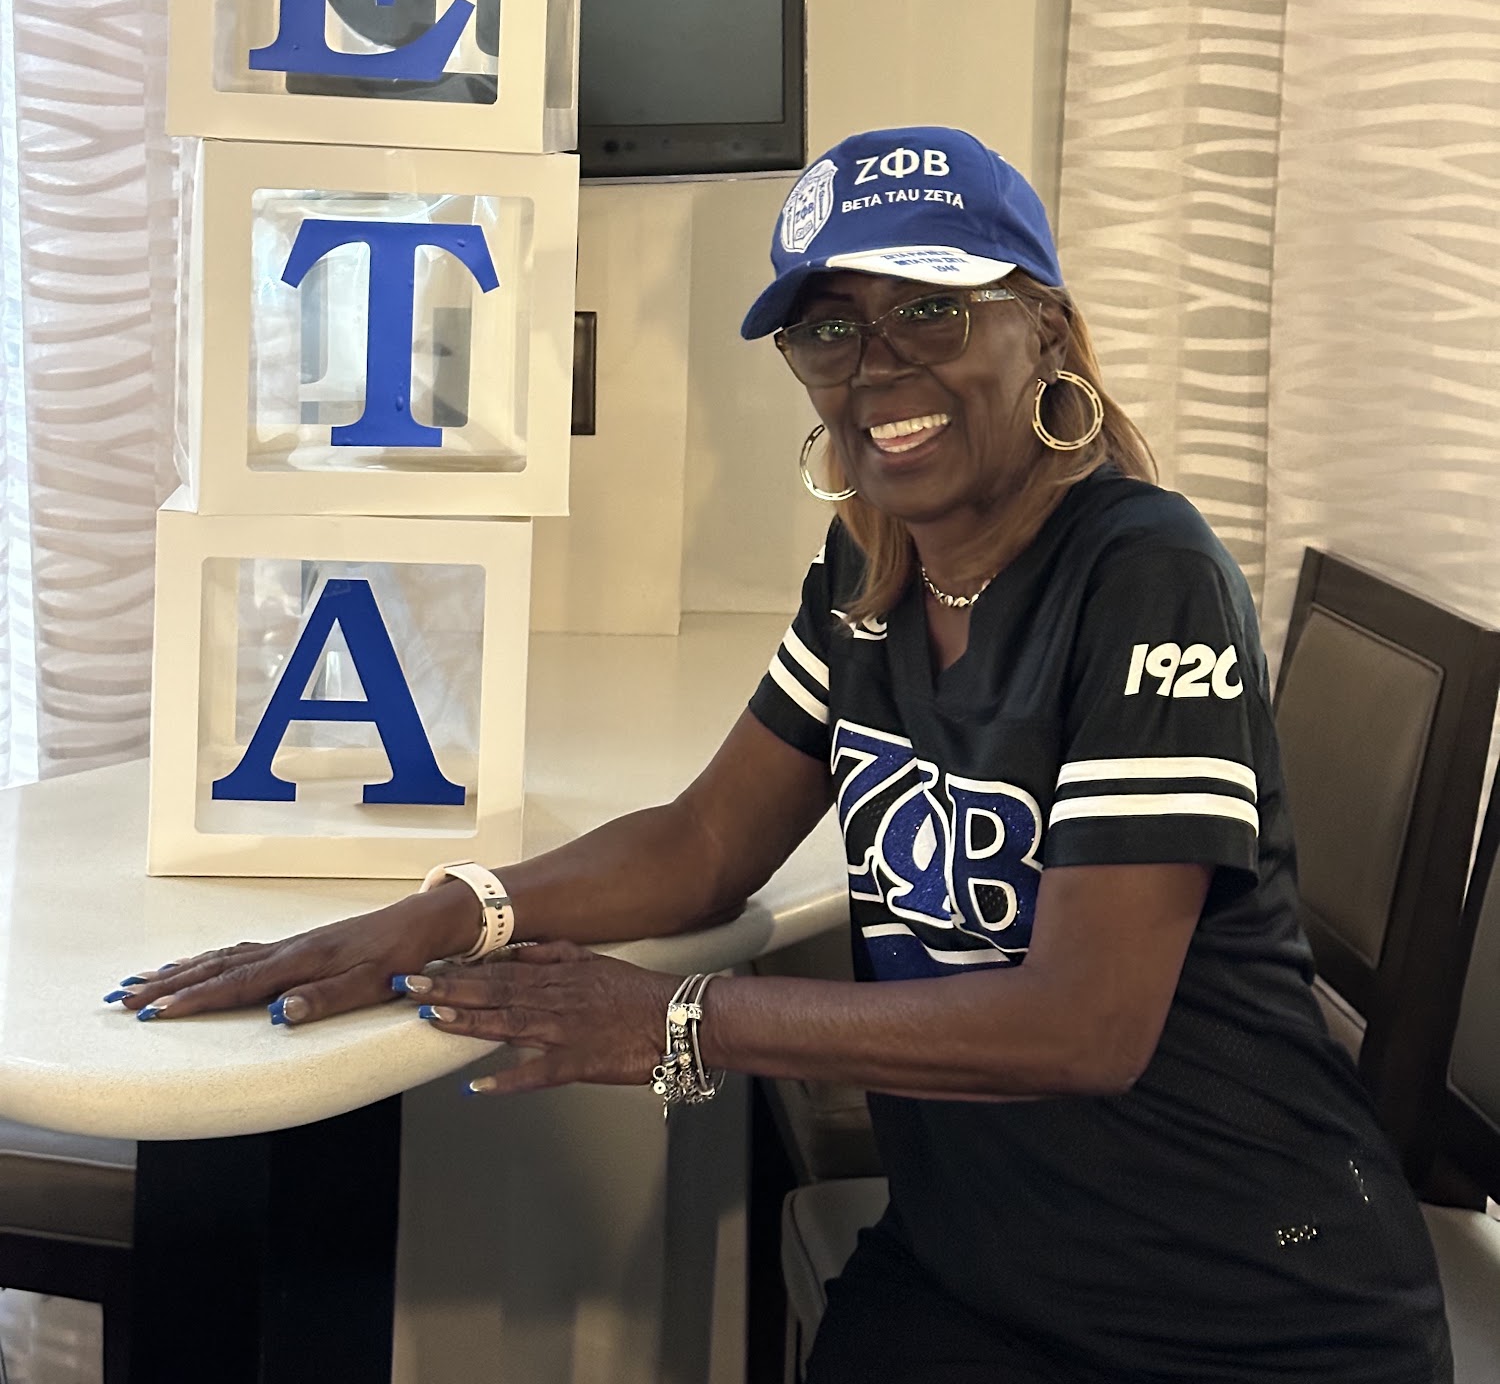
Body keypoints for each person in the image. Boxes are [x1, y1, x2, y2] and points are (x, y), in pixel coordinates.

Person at [109, 126, 1452, 1383]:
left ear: (1042, 327)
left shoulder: (1145, 576)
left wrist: (675, 1019)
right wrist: (447, 910)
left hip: (1235, 1300)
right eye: (831, 329)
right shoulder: (872, 570)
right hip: (979, 1261)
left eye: (930, 310)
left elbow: (1084, 1023)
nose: (878, 366)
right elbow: (706, 843)